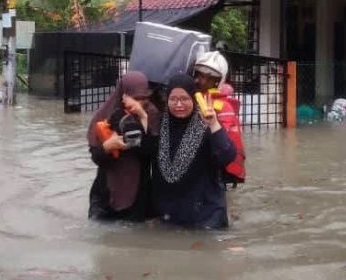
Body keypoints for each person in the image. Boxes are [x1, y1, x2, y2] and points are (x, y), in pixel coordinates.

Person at [151, 73, 236, 229]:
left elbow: (227, 156)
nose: (179, 104)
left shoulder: (205, 123)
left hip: (205, 216)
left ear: (194, 99)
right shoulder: (158, 125)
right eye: (173, 99)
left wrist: (213, 124)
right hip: (170, 215)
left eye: (184, 99)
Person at [87, 71, 159, 221]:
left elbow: (151, 152)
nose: (139, 102)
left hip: (138, 194)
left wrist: (143, 118)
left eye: (143, 98)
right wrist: (107, 147)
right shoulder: (107, 115)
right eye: (134, 97)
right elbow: (96, 157)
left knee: (134, 233)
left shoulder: (152, 114)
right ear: (123, 95)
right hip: (105, 192)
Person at [193, 51, 246, 185]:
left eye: (208, 78)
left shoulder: (224, 106)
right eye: (199, 75)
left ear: (218, 81)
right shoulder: (195, 98)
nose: (201, 80)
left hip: (220, 169)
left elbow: (220, 141)